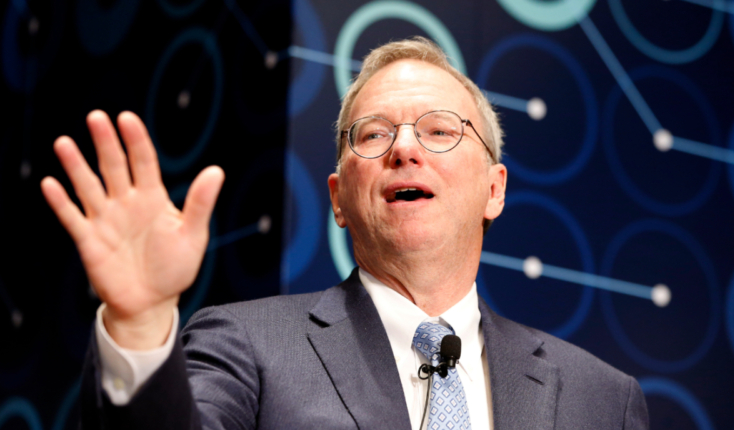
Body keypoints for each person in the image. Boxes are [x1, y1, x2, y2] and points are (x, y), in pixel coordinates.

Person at [42, 37, 648, 429]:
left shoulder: (603, 399)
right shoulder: (246, 348)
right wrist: (143, 324)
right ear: (338, 200)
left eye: (440, 130)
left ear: (495, 189)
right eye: (373, 133)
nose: (405, 148)